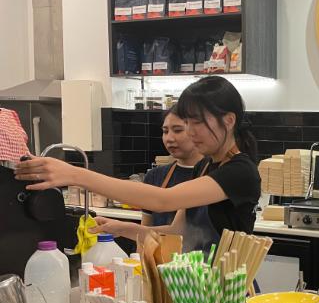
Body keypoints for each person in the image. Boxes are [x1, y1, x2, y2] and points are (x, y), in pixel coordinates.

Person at [15, 76, 261, 254]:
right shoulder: (205, 166)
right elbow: (177, 234)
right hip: (198, 289)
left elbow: (162, 200)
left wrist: (75, 174)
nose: (190, 131)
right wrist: (122, 228)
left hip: (228, 291)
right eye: (187, 122)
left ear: (229, 120)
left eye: (196, 122)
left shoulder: (240, 172)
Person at [141, 104, 204, 227]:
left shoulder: (217, 174)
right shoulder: (154, 176)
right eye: (165, 131)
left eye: (178, 130)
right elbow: (146, 232)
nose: (169, 138)